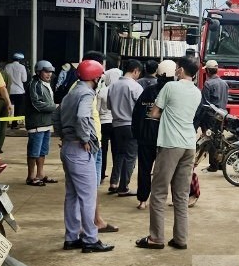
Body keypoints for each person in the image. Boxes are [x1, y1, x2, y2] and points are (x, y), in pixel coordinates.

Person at [136, 58, 201, 250]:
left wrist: (166, 115)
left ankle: (156, 238)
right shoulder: (196, 92)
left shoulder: (170, 87)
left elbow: (154, 113)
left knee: (158, 192)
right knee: (181, 194)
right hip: (189, 144)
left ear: (179, 70)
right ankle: (180, 238)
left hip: (171, 144)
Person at [56, 59, 114, 253]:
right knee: (88, 196)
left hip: (68, 148)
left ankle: (71, 237)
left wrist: (64, 135)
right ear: (94, 77)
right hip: (80, 150)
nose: (100, 80)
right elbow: (82, 117)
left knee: (72, 195)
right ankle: (90, 239)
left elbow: (56, 117)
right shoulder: (87, 94)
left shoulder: (71, 93)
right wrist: (84, 138)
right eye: (99, 77)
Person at [133, 60, 174, 210]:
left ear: (157, 74)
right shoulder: (173, 93)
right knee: (163, 171)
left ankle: (143, 200)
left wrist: (137, 134)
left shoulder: (148, 91)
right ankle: (159, 200)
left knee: (144, 169)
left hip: (146, 137)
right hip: (166, 138)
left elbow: (137, 114)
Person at [106, 59, 143, 195]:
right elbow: (140, 109)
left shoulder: (113, 86)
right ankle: (123, 187)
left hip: (116, 125)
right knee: (131, 156)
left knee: (119, 155)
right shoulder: (136, 87)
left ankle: (113, 183)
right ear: (135, 71)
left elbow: (109, 106)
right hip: (131, 125)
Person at [25, 60, 59, 186]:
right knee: (34, 151)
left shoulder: (46, 84)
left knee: (43, 151)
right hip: (36, 124)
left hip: (46, 123)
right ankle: (31, 176)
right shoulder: (34, 84)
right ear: (38, 71)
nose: (49, 74)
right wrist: (54, 107)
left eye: (50, 72)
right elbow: (36, 104)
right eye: (46, 71)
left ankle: (40, 174)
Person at [4, 52, 28, 128]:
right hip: (19, 91)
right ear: (20, 60)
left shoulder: (7, 66)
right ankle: (14, 124)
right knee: (18, 108)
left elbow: (4, 78)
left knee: (7, 106)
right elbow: (24, 79)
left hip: (9, 90)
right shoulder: (22, 67)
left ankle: (5, 122)